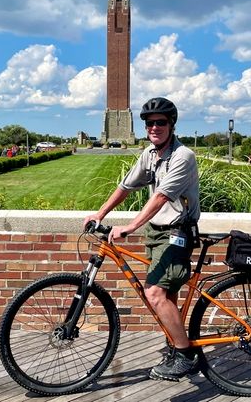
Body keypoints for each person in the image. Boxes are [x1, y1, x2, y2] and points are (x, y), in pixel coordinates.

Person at [83, 97, 200, 381]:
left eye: (161, 122)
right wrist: (99, 214)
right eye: (150, 123)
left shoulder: (183, 156)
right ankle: (175, 344)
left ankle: (185, 356)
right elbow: (126, 186)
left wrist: (130, 226)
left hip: (176, 232)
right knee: (167, 292)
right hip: (156, 232)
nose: (154, 127)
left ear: (171, 125)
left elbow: (161, 197)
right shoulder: (150, 154)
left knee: (154, 293)